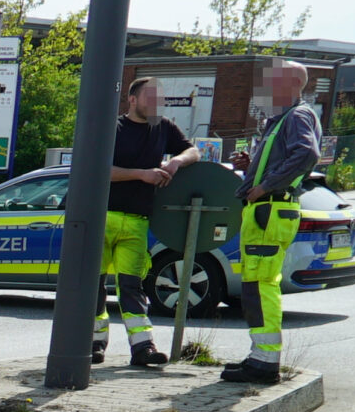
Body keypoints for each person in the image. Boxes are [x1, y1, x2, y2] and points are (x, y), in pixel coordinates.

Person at [222, 60, 322, 384]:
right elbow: (289, 158)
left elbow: (307, 154)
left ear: (293, 83)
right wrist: (253, 167)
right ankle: (260, 358)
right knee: (255, 284)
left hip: (270, 209)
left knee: (261, 285)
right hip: (266, 210)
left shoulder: (298, 115)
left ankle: (265, 363)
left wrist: (265, 185)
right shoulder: (282, 119)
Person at [101, 75, 198, 368]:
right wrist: (142, 174)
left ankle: (143, 348)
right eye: (150, 97)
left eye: (161, 98)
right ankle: (92, 344)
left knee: (132, 287)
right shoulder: (113, 126)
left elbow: (194, 150)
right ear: (132, 100)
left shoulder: (163, 126)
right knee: (92, 287)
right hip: (102, 218)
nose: (158, 103)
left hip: (137, 220)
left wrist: (176, 162)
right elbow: (97, 169)